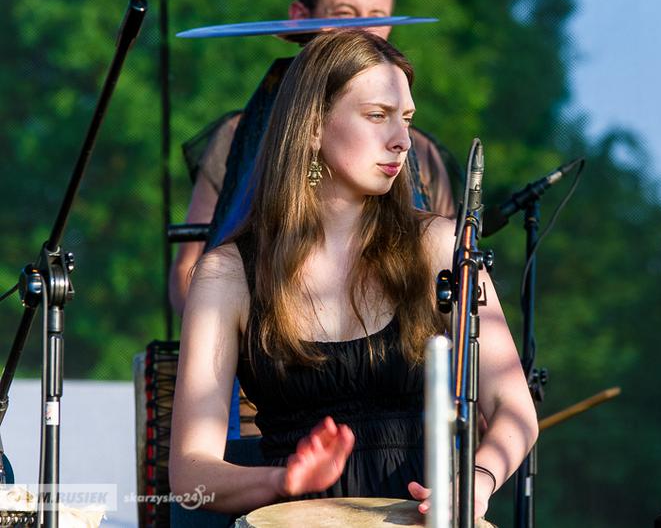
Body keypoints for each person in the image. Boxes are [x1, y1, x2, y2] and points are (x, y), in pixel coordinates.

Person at [168, 30, 538, 522]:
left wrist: (476, 482)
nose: (402, 140)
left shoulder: (439, 247)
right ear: (312, 126)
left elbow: (515, 410)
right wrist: (283, 481)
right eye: (377, 115)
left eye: (406, 119)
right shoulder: (228, 274)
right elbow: (190, 474)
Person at [169, 0, 457, 315]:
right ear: (300, 17)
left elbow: (450, 278)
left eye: (378, 16)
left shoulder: (420, 153)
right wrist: (220, 324)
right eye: (344, 14)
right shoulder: (234, 138)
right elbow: (187, 270)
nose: (363, 30)